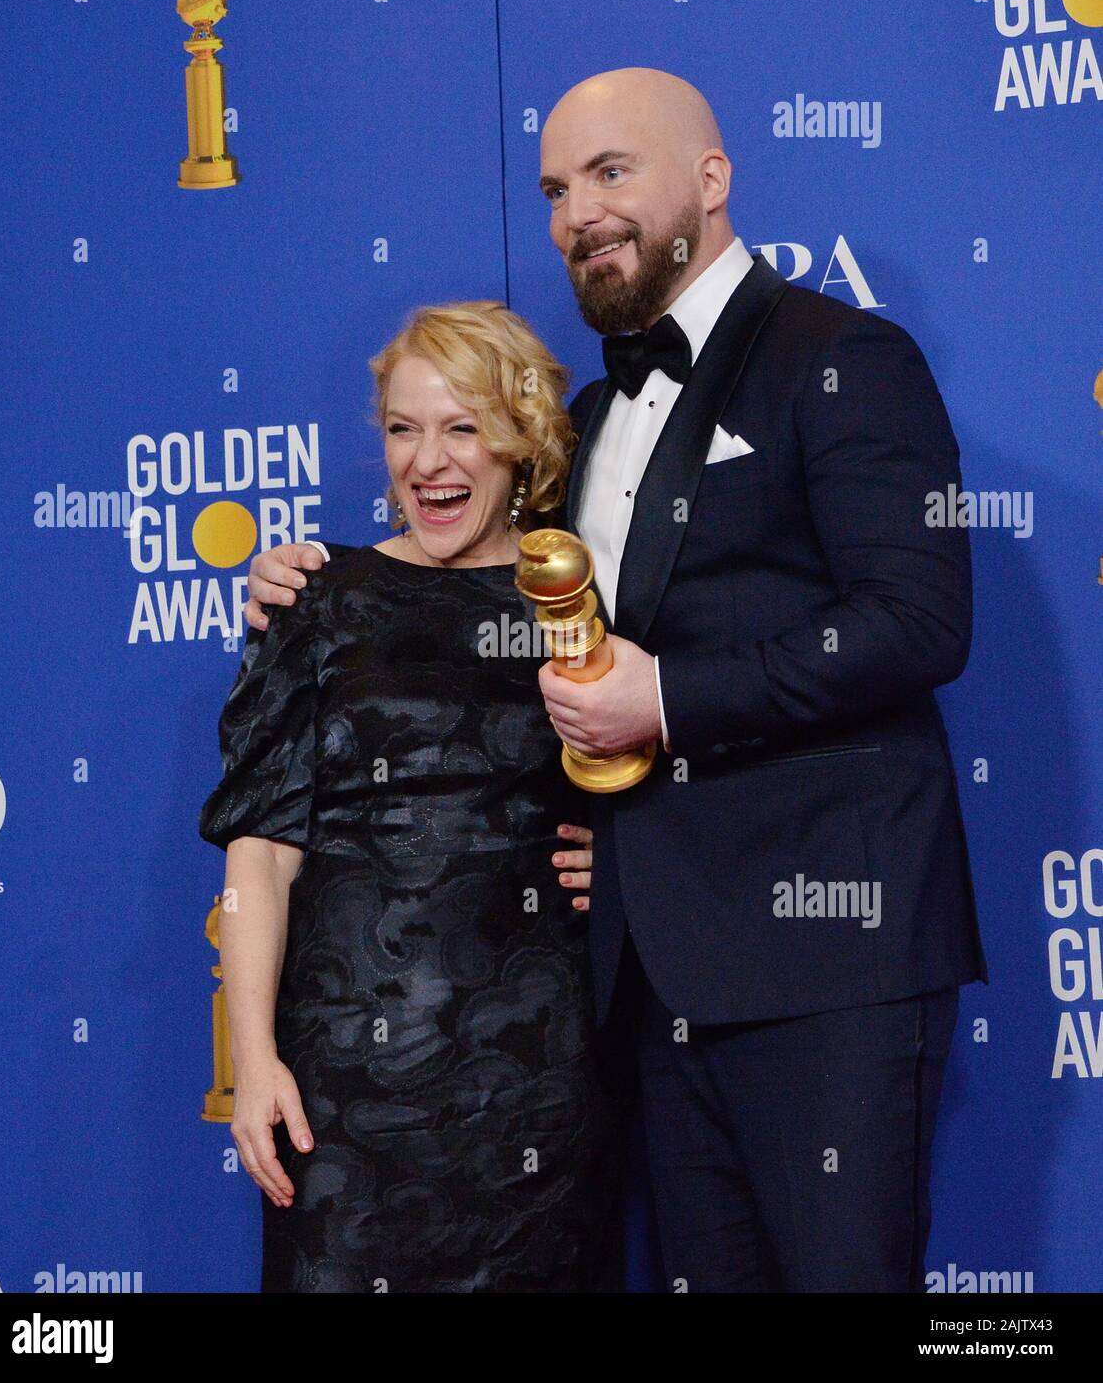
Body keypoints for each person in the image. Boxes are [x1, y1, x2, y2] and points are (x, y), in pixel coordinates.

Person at [247, 67, 987, 1293]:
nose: (576, 212)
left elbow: (918, 621)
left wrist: (670, 701)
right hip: (647, 985)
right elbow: (468, 576)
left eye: (609, 173)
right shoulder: (588, 417)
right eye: (553, 189)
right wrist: (306, 578)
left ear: (711, 179)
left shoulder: (843, 356)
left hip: (829, 962)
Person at [199, 300, 618, 1293]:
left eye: (462, 426)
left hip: (533, 1083)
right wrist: (252, 1059)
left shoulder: (575, 602)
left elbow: (650, 773)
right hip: (341, 1089)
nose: (428, 459)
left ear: (520, 440)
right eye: (402, 427)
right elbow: (260, 847)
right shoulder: (314, 597)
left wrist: (633, 859)